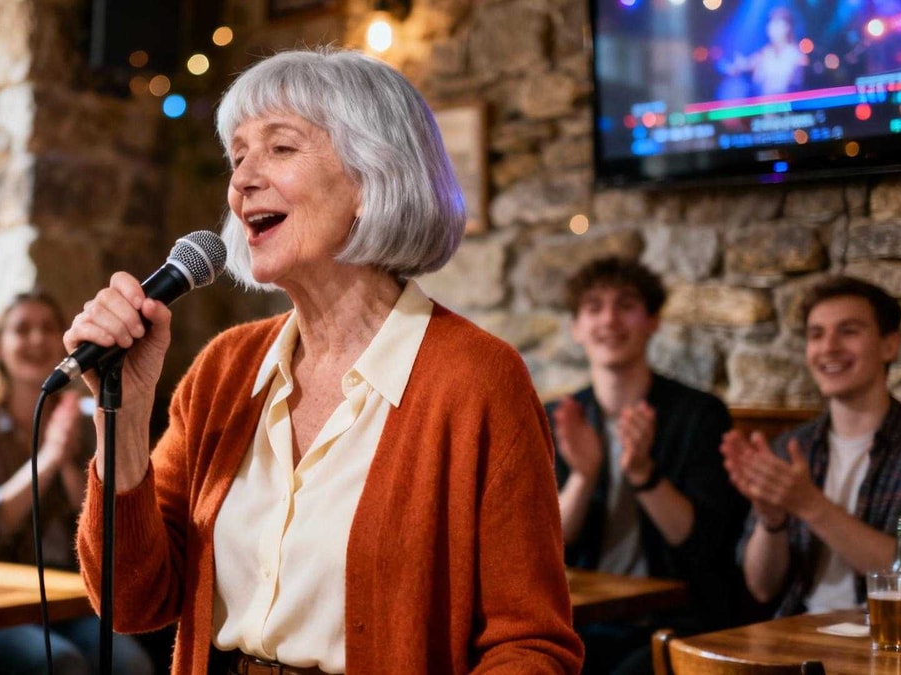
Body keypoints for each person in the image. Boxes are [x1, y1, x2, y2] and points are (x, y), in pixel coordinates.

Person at [63, 48, 583, 675]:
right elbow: (132, 603)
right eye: (238, 156)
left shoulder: (476, 379)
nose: (243, 180)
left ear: (372, 178)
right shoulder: (224, 369)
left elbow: (530, 646)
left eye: (280, 149)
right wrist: (122, 412)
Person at [0, 290, 154, 675]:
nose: (36, 339)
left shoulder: (87, 420)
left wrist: (69, 461)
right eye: (21, 329)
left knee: (131, 664)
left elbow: (103, 530)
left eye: (47, 329)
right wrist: (48, 458)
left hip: (70, 601)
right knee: (61, 663)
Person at [549, 257, 748, 675]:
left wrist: (643, 473)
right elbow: (547, 548)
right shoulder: (559, 417)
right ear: (577, 327)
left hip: (675, 622)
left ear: (652, 321)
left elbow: (701, 545)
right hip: (580, 622)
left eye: (626, 305)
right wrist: (583, 478)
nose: (609, 319)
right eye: (594, 307)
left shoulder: (699, 415)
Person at [722, 276, 901, 617]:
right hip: (796, 636)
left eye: (849, 331)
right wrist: (771, 521)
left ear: (889, 346)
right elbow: (761, 587)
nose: (829, 347)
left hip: (886, 640)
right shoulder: (794, 447)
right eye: (816, 334)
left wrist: (809, 505)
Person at [722, 6, 808, 97]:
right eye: (770, 24)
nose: (771, 29)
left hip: (786, 105)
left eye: (776, 24)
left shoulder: (795, 54)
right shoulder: (765, 52)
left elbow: (794, 83)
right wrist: (739, 66)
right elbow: (747, 64)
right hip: (765, 105)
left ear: (787, 27)